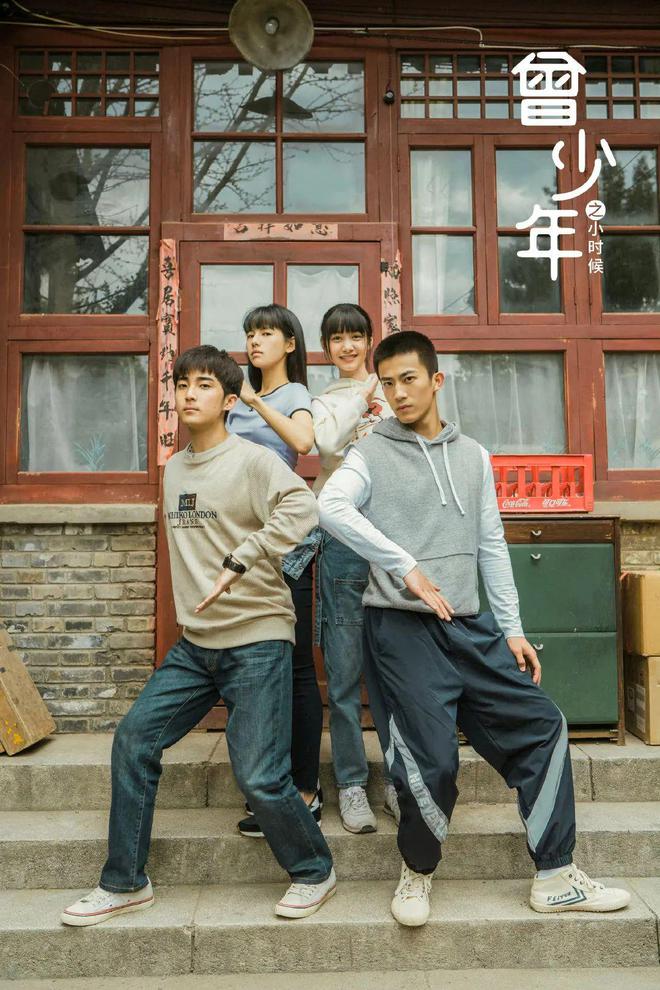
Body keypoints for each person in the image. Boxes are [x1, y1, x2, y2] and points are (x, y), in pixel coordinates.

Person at [318, 329, 630, 927]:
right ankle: (417, 871)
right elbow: (329, 507)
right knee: (432, 762)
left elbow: (490, 544)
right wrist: (404, 565)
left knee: (542, 726)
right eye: (388, 383)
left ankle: (556, 876)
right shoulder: (370, 453)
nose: (399, 392)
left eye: (409, 379)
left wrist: (512, 629)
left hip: (468, 626)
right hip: (401, 631)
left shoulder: (473, 456)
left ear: (436, 380)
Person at [61, 345, 335, 927]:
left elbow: (304, 509)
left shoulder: (254, 460)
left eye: (205, 385)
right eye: (183, 384)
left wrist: (248, 554)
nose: (189, 393)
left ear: (230, 400)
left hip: (257, 636)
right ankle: (125, 882)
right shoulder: (174, 469)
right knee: (134, 741)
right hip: (196, 645)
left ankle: (314, 869)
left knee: (259, 774)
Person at [226, 304, 323, 838]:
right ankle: (265, 786)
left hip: (285, 546)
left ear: (289, 343)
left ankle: (305, 788)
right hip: (241, 545)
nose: (255, 341)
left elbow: (303, 444)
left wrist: (254, 401)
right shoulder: (236, 400)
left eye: (266, 332)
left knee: (297, 665)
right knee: (253, 666)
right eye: (250, 333)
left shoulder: (292, 395)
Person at [312, 303, 398, 834]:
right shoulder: (324, 401)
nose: (347, 346)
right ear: (326, 348)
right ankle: (350, 783)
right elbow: (326, 446)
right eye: (337, 339)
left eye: (355, 337)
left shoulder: (393, 389)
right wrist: (362, 399)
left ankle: (398, 781)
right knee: (343, 674)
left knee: (394, 673)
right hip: (343, 542)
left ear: (369, 341)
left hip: (392, 539)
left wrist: (377, 392)